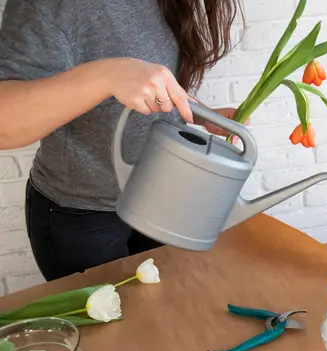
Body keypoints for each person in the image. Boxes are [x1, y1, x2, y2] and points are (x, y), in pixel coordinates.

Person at [0, 0, 244, 281]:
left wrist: (198, 114)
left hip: (157, 198)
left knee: (163, 313)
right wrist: (108, 75)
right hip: (83, 215)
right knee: (113, 323)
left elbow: (150, 83)